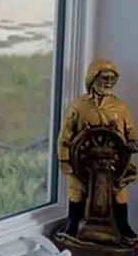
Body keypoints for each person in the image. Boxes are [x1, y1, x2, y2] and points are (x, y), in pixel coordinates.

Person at [57, 58, 138, 241]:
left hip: (115, 166)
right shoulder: (79, 106)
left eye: (112, 78)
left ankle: (123, 226)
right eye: (104, 77)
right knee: (77, 189)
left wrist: (133, 141)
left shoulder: (120, 107)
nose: (108, 82)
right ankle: (72, 224)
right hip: (83, 165)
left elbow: (131, 131)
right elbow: (66, 135)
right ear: (93, 78)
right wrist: (65, 161)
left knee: (119, 191)